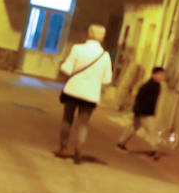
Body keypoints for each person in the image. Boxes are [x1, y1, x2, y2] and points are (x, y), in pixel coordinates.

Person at [55, 24, 115, 165]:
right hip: (90, 95)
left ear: (89, 34)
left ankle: (63, 148)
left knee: (67, 119)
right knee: (83, 124)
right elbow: (107, 80)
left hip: (73, 90)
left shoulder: (77, 49)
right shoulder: (105, 56)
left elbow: (67, 69)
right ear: (102, 38)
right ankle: (78, 149)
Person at [117, 65, 166, 158]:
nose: (162, 77)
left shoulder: (157, 86)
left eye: (163, 75)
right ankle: (154, 149)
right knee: (152, 130)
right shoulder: (148, 85)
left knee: (133, 128)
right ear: (154, 75)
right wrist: (138, 110)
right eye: (160, 75)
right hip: (144, 112)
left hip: (145, 112)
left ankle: (121, 143)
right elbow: (139, 97)